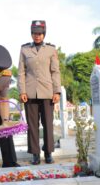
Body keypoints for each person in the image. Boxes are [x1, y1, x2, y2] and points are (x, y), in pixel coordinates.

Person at [17, 20, 61, 165]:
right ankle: (35, 154)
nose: (37, 36)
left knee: (48, 124)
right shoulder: (24, 50)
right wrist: (22, 90)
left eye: (40, 33)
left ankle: (48, 153)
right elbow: (21, 72)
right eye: (35, 33)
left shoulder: (51, 49)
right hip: (30, 93)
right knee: (32, 125)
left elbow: (55, 71)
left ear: (44, 34)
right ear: (32, 34)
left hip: (47, 92)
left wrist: (57, 91)